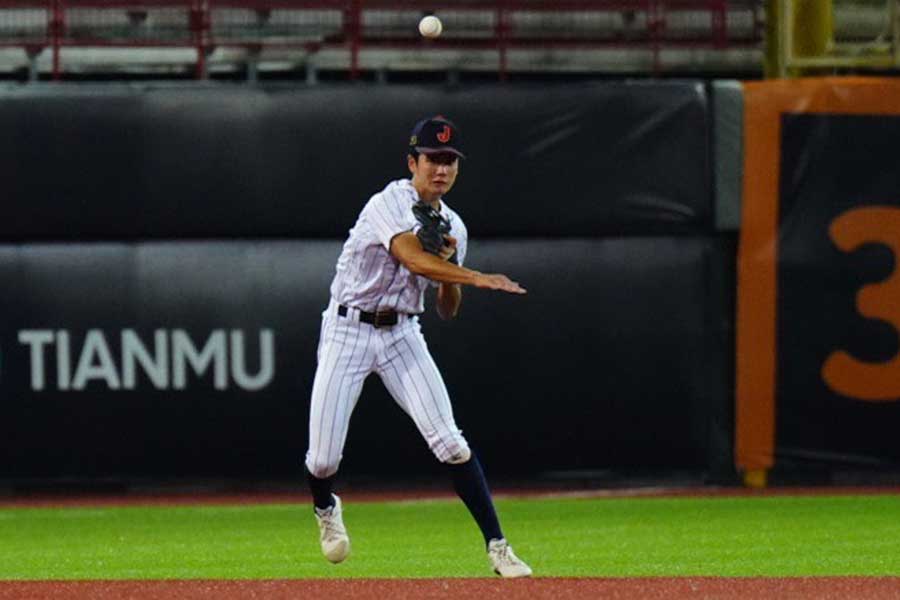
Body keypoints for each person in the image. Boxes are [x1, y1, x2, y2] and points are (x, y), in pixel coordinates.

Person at [303, 115, 532, 578]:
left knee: (449, 442)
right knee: (323, 457)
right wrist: (475, 275)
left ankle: (498, 546)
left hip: (401, 334)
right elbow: (409, 256)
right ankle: (326, 507)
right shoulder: (388, 202)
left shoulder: (454, 227)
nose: (441, 169)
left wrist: (452, 267)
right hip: (348, 329)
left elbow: (447, 307)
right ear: (413, 162)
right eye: (433, 159)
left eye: (450, 161)